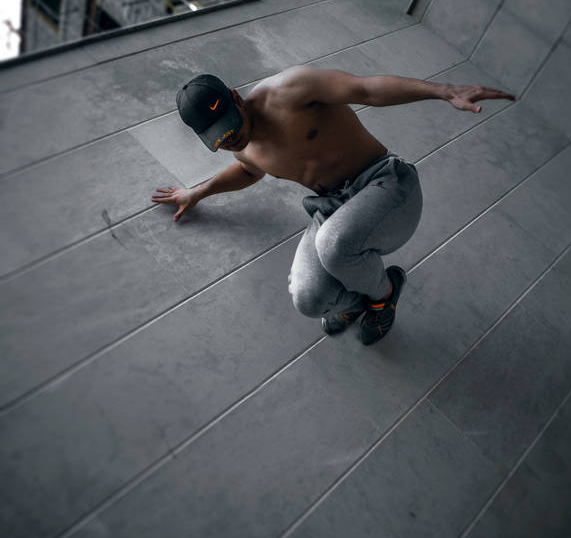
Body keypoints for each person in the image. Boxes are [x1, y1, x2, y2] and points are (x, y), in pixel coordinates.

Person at [152, 67, 514, 345]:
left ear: (236, 97)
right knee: (308, 299)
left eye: (233, 127)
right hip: (332, 209)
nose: (233, 139)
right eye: (222, 139)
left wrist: (444, 91)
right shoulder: (240, 145)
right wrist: (197, 192)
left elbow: (367, 89)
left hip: (387, 187)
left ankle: (383, 295)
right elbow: (249, 171)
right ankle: (358, 300)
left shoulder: (290, 90)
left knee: (333, 244)